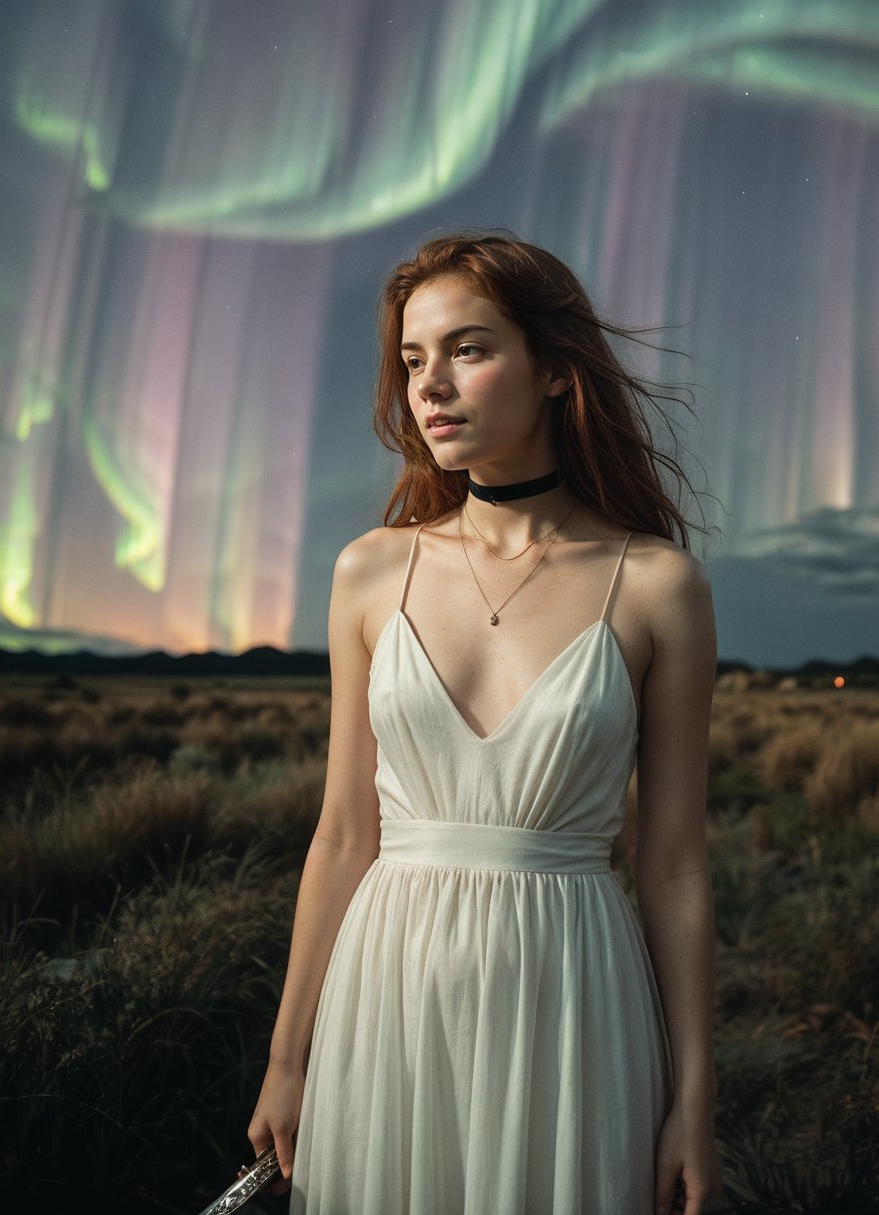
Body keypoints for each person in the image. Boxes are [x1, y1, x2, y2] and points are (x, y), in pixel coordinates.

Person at [248, 231, 722, 1215]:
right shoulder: (369, 570)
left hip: (572, 996)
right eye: (414, 360)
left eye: (468, 349)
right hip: (388, 994)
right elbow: (343, 834)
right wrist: (287, 1058)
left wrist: (693, 1098)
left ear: (553, 370)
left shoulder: (656, 585)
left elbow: (673, 861)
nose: (430, 386)